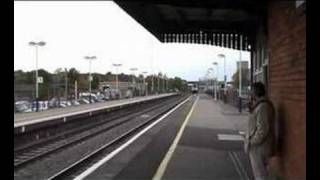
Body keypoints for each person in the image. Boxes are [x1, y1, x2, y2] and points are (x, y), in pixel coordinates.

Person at [244, 82, 276, 180]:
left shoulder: (263, 107)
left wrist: (252, 141)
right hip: (259, 146)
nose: (249, 93)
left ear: (255, 92)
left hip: (259, 147)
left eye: (251, 91)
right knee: (260, 173)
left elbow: (262, 129)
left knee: (260, 175)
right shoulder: (259, 105)